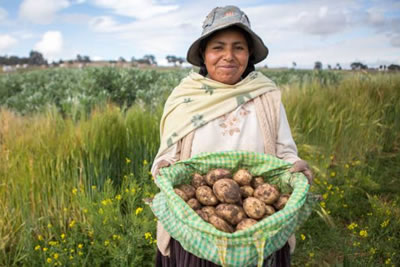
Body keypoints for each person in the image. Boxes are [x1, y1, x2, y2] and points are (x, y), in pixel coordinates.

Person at [151, 5, 312, 267]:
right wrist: (165, 167)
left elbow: (284, 152)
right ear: (204, 54)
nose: (228, 56)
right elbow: (166, 155)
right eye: (218, 47)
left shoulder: (266, 95)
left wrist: (294, 166)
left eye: (238, 47)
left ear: (249, 55)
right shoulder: (185, 97)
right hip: (196, 231)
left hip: (257, 233)